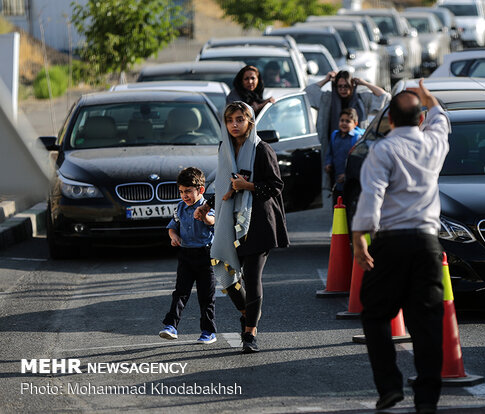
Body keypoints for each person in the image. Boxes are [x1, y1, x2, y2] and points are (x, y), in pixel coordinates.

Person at [351, 79, 450, 413]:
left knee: (375, 315)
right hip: (427, 244)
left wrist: (359, 238)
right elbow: (442, 121)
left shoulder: (383, 150)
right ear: (419, 119)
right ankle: (427, 398)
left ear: (389, 120)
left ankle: (390, 386)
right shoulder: (433, 144)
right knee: (426, 322)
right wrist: (428, 97)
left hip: (390, 243)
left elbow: (372, 195)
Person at [195, 101, 289, 354]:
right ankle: (249, 312)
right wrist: (205, 205)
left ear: (250, 121)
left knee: (252, 276)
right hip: (228, 220)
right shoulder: (224, 147)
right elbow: (221, 180)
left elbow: (275, 186)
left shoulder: (261, 149)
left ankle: (250, 333)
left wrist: (248, 187)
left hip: (258, 221)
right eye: (230, 120)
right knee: (224, 272)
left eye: (240, 119)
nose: (234, 125)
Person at [159, 167, 217, 344]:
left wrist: (204, 216)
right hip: (186, 256)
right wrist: (174, 236)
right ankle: (171, 326)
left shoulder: (207, 206)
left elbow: (213, 222)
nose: (184, 196)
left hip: (205, 256)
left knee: (206, 296)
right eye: (181, 192)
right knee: (180, 293)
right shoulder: (180, 207)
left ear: (200, 190)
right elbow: (172, 226)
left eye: (188, 192)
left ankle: (208, 331)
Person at [304, 70, 390, 189]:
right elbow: (308, 92)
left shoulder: (361, 99)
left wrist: (364, 83)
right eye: (339, 86)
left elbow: (384, 96)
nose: (343, 89)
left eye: (346, 86)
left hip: (357, 150)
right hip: (336, 154)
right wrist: (326, 80)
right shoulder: (328, 99)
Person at [324, 108, 364, 200]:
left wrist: (347, 175)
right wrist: (328, 163)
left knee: (350, 205)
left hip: (352, 181)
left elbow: (358, 162)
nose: (344, 123)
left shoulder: (356, 138)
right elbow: (330, 153)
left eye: (348, 121)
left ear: (355, 124)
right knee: (338, 207)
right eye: (342, 120)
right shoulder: (335, 135)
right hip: (337, 180)